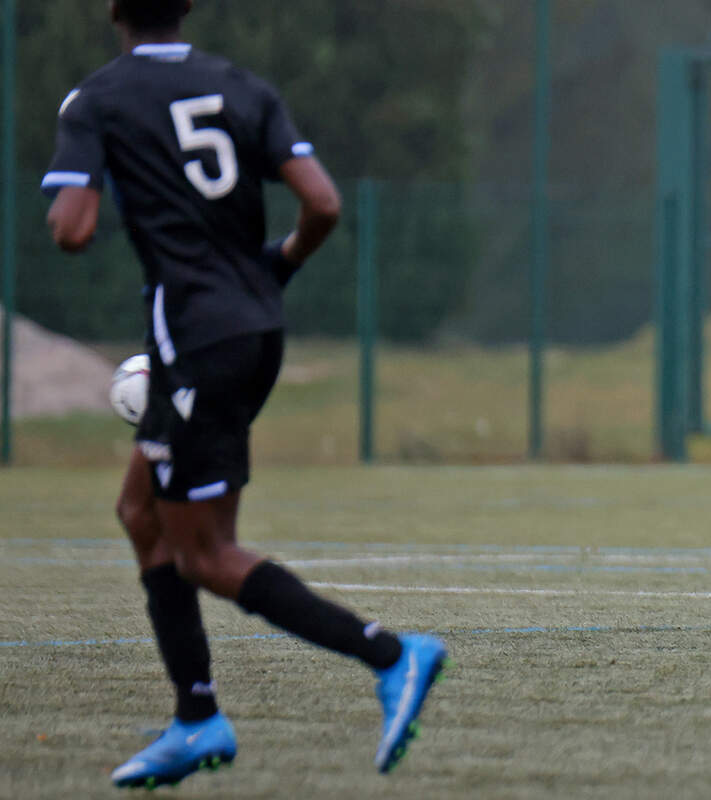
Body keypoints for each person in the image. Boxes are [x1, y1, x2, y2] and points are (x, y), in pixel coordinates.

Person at [42, 0, 446, 788]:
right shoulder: (241, 87)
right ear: (186, 6)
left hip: (195, 338)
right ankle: (196, 720)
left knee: (204, 553)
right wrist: (276, 266)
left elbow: (72, 229)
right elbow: (322, 204)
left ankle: (392, 654)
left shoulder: (95, 100)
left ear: (112, 10)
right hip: (255, 327)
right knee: (140, 514)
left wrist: (77, 193)